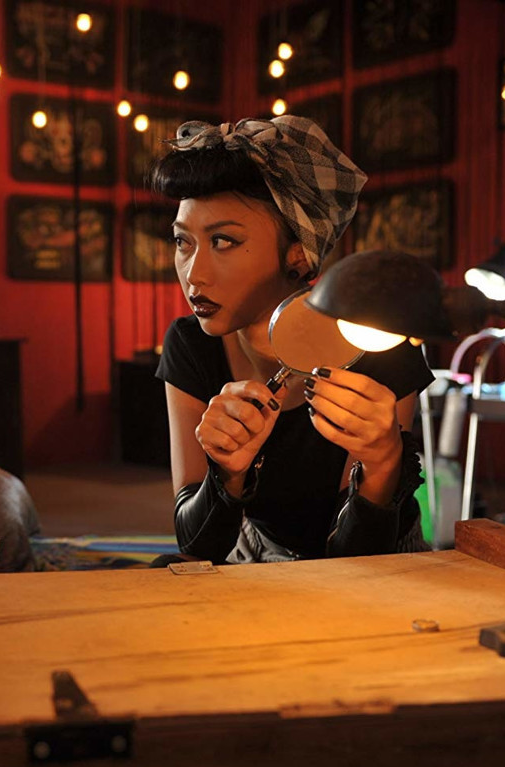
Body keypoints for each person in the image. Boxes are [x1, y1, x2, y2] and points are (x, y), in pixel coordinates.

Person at [150, 116, 434, 564]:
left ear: (298, 253)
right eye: (183, 242)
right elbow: (196, 545)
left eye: (223, 241)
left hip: (382, 561)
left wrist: (382, 463)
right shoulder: (191, 344)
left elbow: (357, 560)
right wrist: (226, 474)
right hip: (261, 551)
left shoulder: (377, 346)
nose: (194, 274)